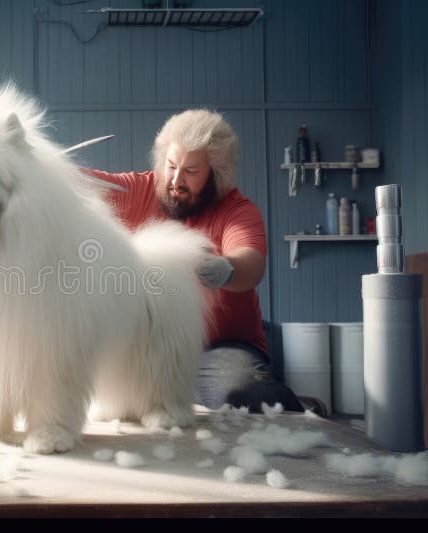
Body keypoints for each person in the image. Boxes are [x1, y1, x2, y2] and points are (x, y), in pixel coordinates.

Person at [87, 109, 305, 413]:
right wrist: (40, 164)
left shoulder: (237, 210)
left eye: (191, 171)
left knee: (245, 396)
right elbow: (85, 183)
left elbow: (251, 263)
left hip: (219, 347)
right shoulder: (140, 188)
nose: (176, 180)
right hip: (146, 343)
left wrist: (225, 268)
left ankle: (297, 407)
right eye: (171, 165)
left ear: (216, 174)